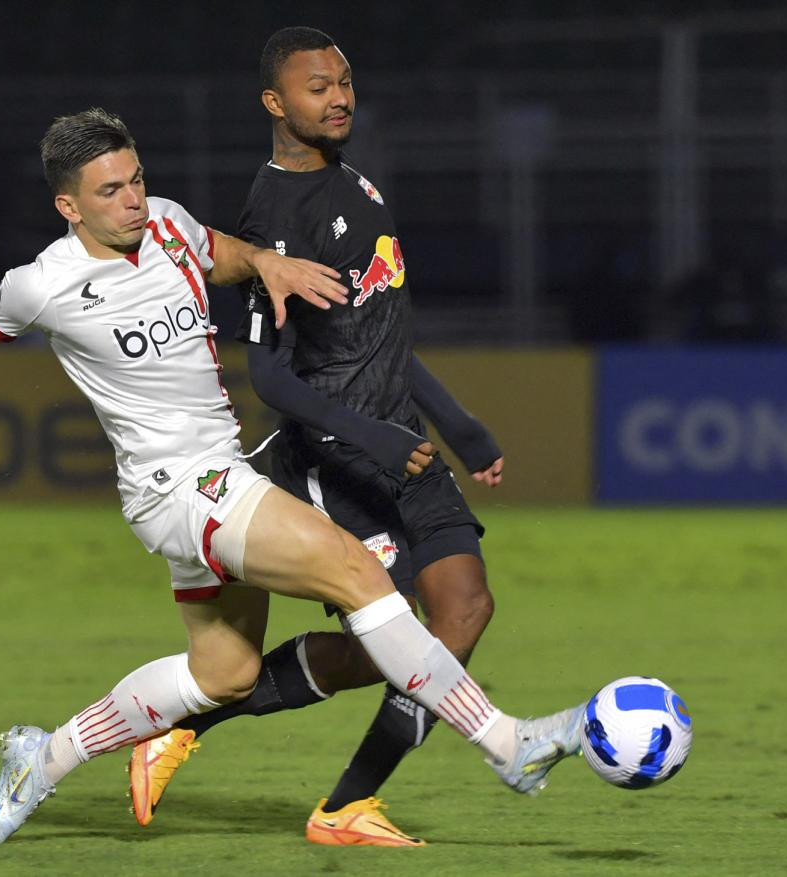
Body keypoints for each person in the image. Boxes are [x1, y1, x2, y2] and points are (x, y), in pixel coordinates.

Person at [0, 107, 584, 847]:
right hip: (181, 490)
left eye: (136, 179)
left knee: (224, 672)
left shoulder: (169, 225)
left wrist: (268, 260)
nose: (132, 199)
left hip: (216, 472)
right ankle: (507, 741)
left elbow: (224, 251)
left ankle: (42, 757)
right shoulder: (41, 284)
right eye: (110, 191)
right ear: (68, 206)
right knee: (358, 571)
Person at [127, 27, 547, 848]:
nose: (340, 96)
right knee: (404, 635)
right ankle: (245, 753)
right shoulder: (274, 214)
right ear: (275, 104)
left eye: (346, 82)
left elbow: (379, 335)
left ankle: (340, 800)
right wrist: (374, 438)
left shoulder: (359, 185)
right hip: (339, 459)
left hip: (407, 446)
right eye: (318, 87)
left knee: (463, 610)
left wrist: (460, 427)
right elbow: (273, 379)